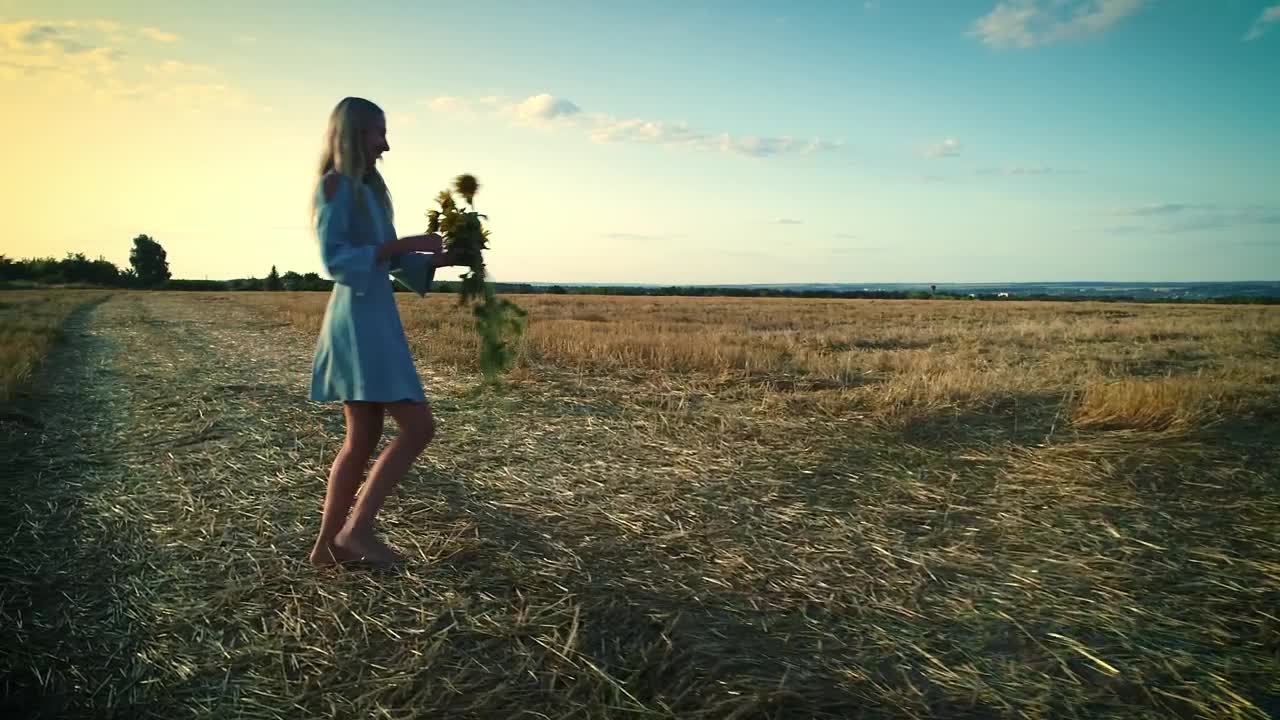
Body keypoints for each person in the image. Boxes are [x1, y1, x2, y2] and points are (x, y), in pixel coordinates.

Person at [307, 96, 461, 566]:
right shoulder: (335, 186)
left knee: (363, 440)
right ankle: (357, 531)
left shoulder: (370, 192)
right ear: (352, 134)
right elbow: (336, 259)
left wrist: (441, 259)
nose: (386, 145)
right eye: (379, 133)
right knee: (418, 427)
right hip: (359, 321)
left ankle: (325, 550)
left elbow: (387, 261)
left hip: (370, 315)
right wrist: (406, 242)